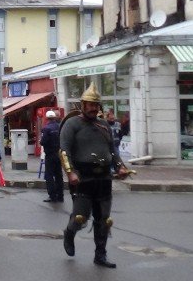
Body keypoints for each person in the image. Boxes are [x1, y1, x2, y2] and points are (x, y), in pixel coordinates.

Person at [60, 82, 130, 268]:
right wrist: (70, 173)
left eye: (95, 105)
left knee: (104, 219)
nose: (93, 108)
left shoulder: (104, 125)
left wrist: (120, 167)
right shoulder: (71, 124)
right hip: (82, 177)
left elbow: (113, 150)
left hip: (104, 177)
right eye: (89, 104)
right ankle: (69, 233)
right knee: (80, 216)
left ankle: (100, 255)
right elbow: (64, 151)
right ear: (83, 105)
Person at [41, 110, 63, 203]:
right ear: (54, 117)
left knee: (49, 175)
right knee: (59, 175)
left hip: (50, 154)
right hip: (59, 154)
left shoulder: (46, 128)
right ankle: (60, 195)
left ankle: (52, 196)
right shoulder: (60, 127)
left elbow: (43, 142)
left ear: (47, 118)